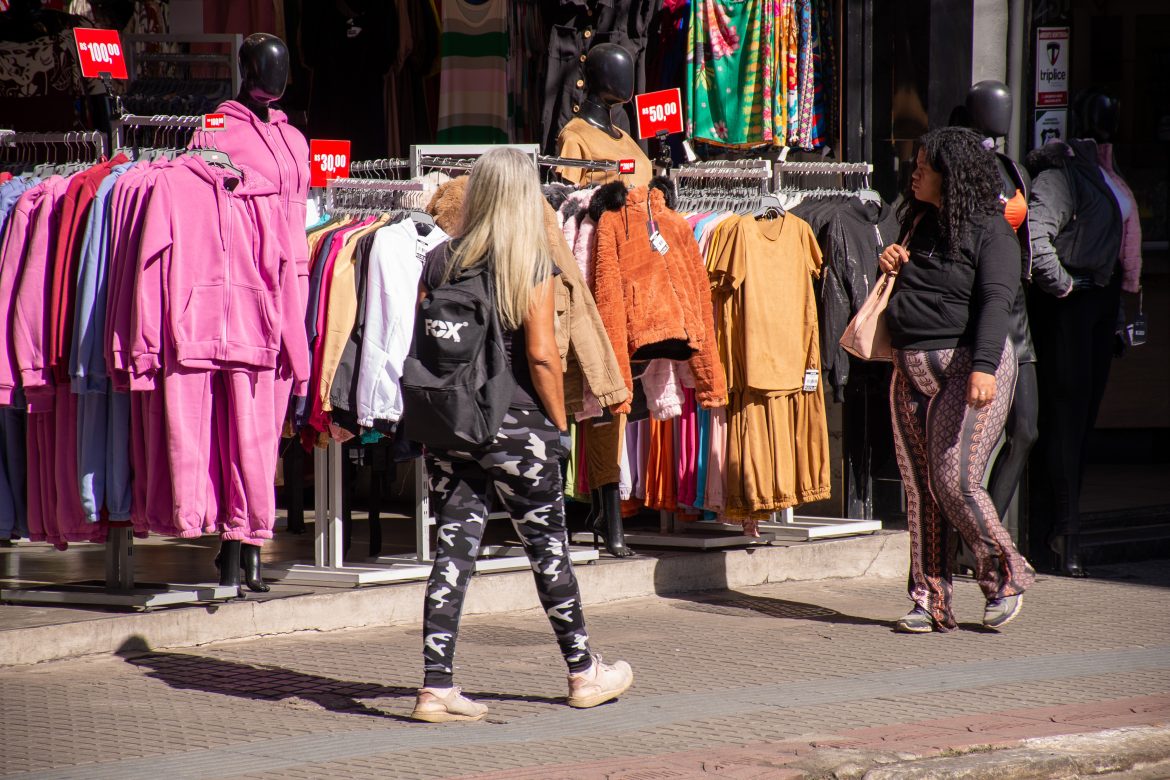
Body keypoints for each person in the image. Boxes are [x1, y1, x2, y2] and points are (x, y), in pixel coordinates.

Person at [410, 148, 634, 723]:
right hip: (519, 430)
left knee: (453, 551)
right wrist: (559, 425)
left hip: (455, 426)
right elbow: (540, 355)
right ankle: (584, 672)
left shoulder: (438, 259)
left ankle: (436, 687)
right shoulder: (529, 260)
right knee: (549, 551)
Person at [878, 127, 1036, 634]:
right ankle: (931, 601)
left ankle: (1005, 576)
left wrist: (985, 368)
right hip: (910, 371)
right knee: (920, 490)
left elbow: (996, 303)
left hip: (969, 369)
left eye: (925, 164)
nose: (915, 171)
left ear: (953, 174)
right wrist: (892, 262)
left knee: (955, 481)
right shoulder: (918, 220)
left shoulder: (992, 230)